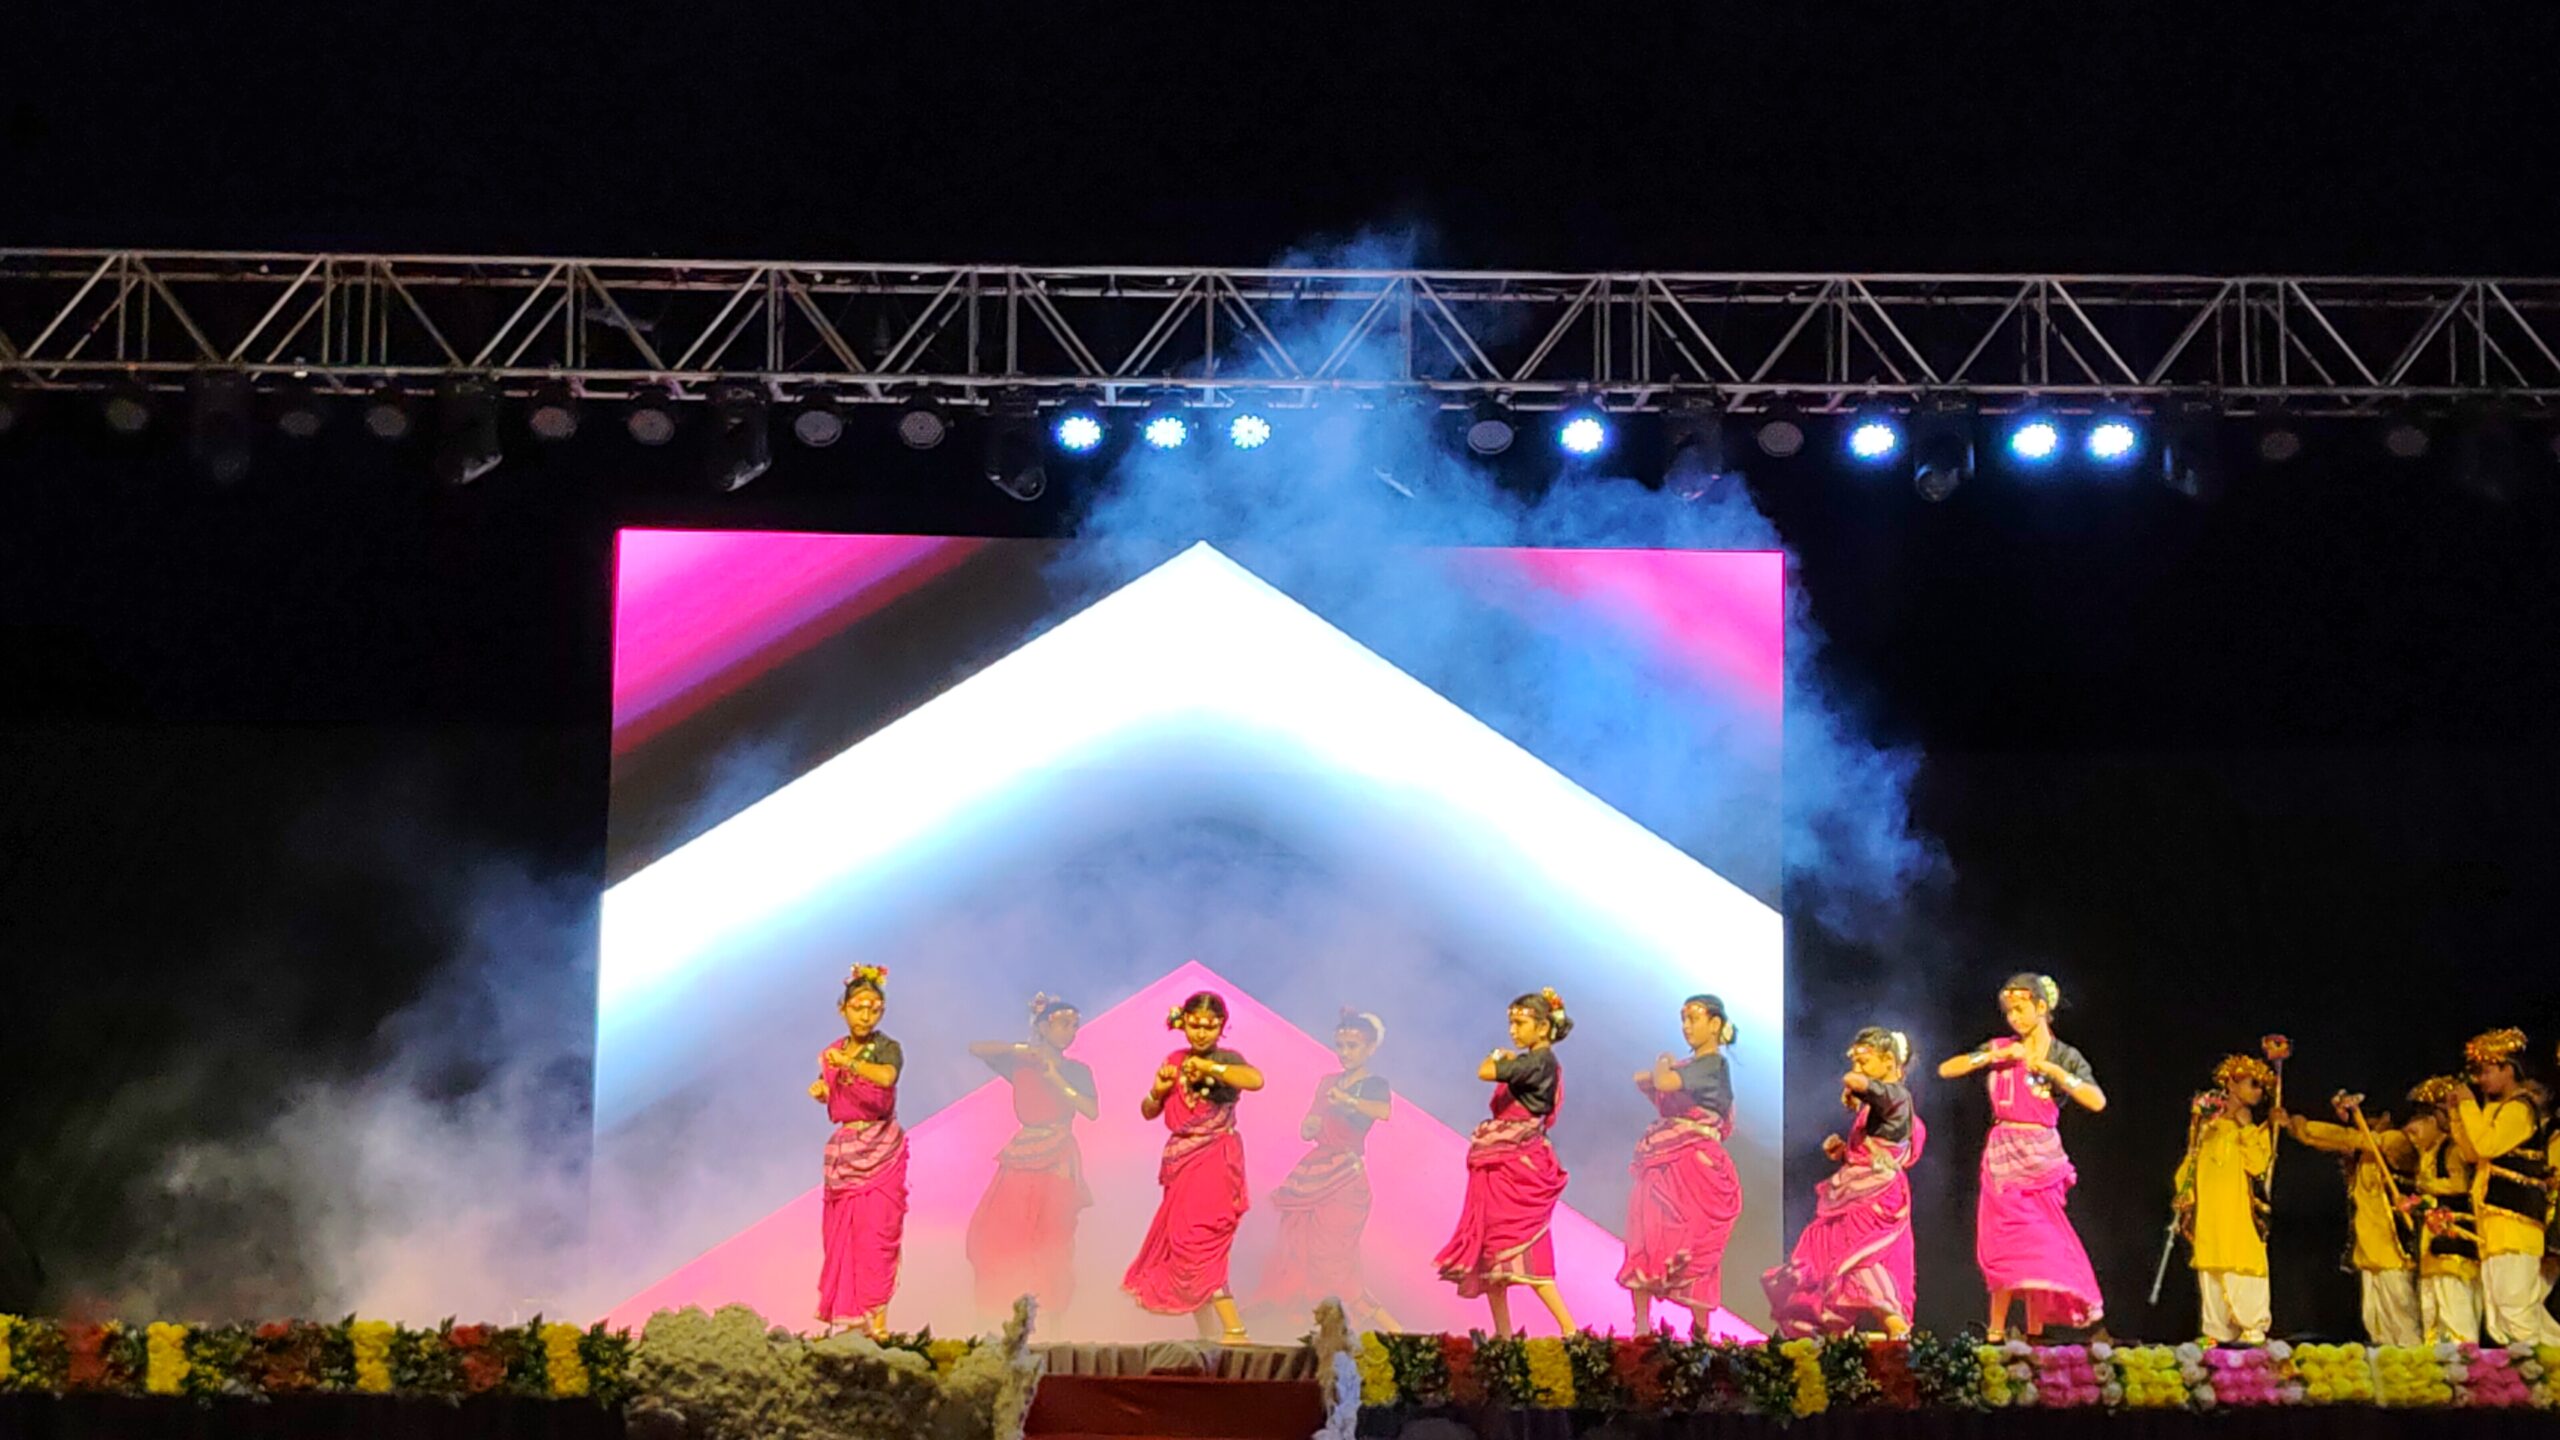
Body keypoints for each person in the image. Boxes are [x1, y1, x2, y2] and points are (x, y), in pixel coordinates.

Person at [1935, 973, 2106, 1342]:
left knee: (2038, 1243)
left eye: (2020, 1009)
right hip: (2003, 1155)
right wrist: (1994, 1056)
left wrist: (2054, 1071)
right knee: (2004, 1241)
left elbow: (2096, 1101)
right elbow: (1947, 1069)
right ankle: (1996, 1330)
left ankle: (2035, 1330)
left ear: (2041, 1007)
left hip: (2042, 1156)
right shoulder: (2002, 1047)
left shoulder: (2063, 1055)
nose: (2014, 1018)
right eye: (2009, 1012)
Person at [1762, 1026, 1926, 1339]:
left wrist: (1853, 1084)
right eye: (1855, 1062)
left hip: (1874, 1197)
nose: (1857, 1068)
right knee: (1829, 1256)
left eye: (1864, 1060)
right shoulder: (1875, 1106)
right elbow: (1870, 1150)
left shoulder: (1896, 1096)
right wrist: (1844, 1152)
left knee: (1859, 1258)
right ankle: (1838, 1338)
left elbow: (1856, 1083)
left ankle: (1896, 1334)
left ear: (1889, 1061)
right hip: (1855, 1191)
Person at [1435, 988, 1576, 1338]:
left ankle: (1570, 1330)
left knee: (1524, 1244)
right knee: (1493, 1248)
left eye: (1520, 1023)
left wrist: (1498, 1056)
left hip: (1519, 1163)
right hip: (1503, 1160)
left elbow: (1486, 1070)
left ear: (1542, 1028)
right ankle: (1503, 1334)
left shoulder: (1539, 1063)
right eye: (1511, 1023)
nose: (1513, 1030)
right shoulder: (1532, 1062)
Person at [1125, 991, 1265, 1341]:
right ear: (1183, 1023)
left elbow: (1256, 1080)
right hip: (1182, 1163)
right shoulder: (1174, 1059)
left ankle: (1235, 1330)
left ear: (1221, 1026)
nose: (1201, 1033)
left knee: (1198, 1242)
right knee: (1183, 1243)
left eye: (1209, 1026)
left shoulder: (1227, 1060)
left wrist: (1210, 1068)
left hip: (1215, 1162)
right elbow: (1148, 1112)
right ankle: (1208, 1333)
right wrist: (1157, 1091)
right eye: (1194, 1025)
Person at [964, 993, 1098, 1321]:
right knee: (1001, 1228)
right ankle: (1002, 1311)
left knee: (1052, 1235)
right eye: (1063, 1024)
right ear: (1041, 1027)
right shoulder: (1023, 1063)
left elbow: (1090, 1110)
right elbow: (977, 1048)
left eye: (1074, 1026)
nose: (1070, 1031)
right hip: (1023, 1151)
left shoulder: (1077, 1070)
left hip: (1058, 1153)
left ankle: (1052, 1317)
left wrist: (1057, 1079)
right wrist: (1018, 1050)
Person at [1259, 1009, 1396, 1328]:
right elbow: (1309, 1125)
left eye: (1353, 1046)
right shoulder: (1327, 1083)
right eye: (1340, 1046)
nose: (1345, 1053)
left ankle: (1393, 1329)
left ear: (1370, 1048)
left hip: (1345, 1179)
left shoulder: (1374, 1085)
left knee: (1333, 1260)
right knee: (1301, 1253)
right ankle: (1316, 1330)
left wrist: (1347, 1101)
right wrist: (1309, 1126)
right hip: (1315, 1172)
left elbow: (1383, 1111)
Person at [1619, 994, 1744, 1338]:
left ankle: (1700, 1331)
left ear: (1715, 1024)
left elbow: (1663, 1081)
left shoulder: (1712, 1064)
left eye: (1694, 1019)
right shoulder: (1692, 1066)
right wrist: (1665, 1070)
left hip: (1694, 1166)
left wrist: (1664, 1063)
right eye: (1684, 1020)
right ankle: (1641, 1327)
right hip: (1664, 1162)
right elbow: (1646, 1080)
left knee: (1693, 1242)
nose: (1687, 1027)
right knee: (1647, 1233)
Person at [810, 963, 909, 1340]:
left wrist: (849, 1063)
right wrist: (822, 1091)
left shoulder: (887, 1048)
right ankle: (849, 1319)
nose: (866, 1015)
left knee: (877, 1233)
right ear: (843, 1009)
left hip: (881, 1149)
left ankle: (877, 1320)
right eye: (859, 1007)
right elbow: (831, 1087)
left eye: (874, 1008)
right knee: (844, 1236)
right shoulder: (831, 1052)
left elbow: (886, 1077)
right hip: (845, 1152)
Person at [2277, 1089, 2421, 1345]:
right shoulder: (2362, 1151)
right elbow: (2338, 1141)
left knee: (2402, 1320)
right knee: (2375, 1322)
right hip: (2368, 1251)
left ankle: (2414, 1364)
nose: (2363, 1124)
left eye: (2369, 1118)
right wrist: (2297, 1129)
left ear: (2386, 1118)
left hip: (2393, 1251)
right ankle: (2384, 1363)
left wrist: (2306, 1128)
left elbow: (2353, 1138)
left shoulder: (2395, 1140)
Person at [2450, 1028, 2560, 1344]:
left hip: (2516, 1226)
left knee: (2516, 1311)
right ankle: (2534, 1370)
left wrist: (2468, 1105)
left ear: (2508, 1069)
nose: (2480, 1080)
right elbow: (2472, 1153)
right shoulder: (2496, 1109)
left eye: (2486, 1071)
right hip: (2494, 1226)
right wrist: (2457, 1113)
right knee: (2500, 1317)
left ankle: (2537, 1373)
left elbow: (2487, 1145)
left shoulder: (2520, 1109)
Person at [2176, 1053, 2276, 1345]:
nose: (2259, 1092)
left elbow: (2258, 1166)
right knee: (2212, 1271)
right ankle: (2215, 1335)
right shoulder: (2207, 1127)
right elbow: (2191, 1163)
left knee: (2244, 1267)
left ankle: (2253, 1331)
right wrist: (2184, 1192)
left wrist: (2246, 1128)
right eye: (2253, 1084)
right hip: (2210, 1219)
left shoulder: (2256, 1130)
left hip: (2239, 1218)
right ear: (2231, 1083)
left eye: (2262, 1088)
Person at [2404, 1076, 2483, 1343]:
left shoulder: (2452, 1149)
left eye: (2420, 1120)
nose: (2411, 1130)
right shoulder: (2427, 1153)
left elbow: (2460, 1184)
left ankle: (2465, 1361)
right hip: (2431, 1249)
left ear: (2434, 1120)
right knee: (2431, 1312)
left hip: (2453, 1246)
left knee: (2454, 1310)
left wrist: (2427, 1187)